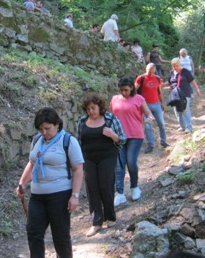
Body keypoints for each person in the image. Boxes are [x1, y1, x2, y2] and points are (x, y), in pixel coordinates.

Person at [16, 107, 84, 258]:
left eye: (47, 128)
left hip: (60, 195)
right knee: (33, 232)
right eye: (41, 129)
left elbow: (78, 169)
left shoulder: (68, 141)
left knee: (60, 236)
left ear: (57, 125)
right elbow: (32, 163)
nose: (44, 132)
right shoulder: (37, 140)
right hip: (37, 195)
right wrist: (22, 183)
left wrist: (75, 195)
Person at [77, 93, 127, 237]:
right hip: (88, 158)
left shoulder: (111, 120)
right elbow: (79, 141)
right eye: (88, 109)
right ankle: (96, 222)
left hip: (107, 156)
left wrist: (112, 135)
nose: (91, 111)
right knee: (92, 187)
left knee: (105, 185)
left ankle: (110, 217)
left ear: (100, 107)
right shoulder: (82, 121)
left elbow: (122, 139)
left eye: (93, 108)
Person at [110, 77, 155, 207]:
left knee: (131, 161)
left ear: (131, 87)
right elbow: (111, 116)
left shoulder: (139, 99)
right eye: (121, 90)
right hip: (118, 136)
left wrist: (149, 119)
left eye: (126, 90)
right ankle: (119, 193)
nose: (124, 92)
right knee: (119, 165)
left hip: (135, 135)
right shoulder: (114, 99)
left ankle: (134, 187)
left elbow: (149, 114)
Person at [134, 63, 169, 153]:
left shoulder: (157, 78)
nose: (151, 74)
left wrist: (162, 103)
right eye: (150, 72)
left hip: (156, 104)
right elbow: (134, 91)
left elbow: (160, 92)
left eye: (153, 72)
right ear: (146, 70)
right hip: (145, 105)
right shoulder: (141, 78)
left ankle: (163, 141)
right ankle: (150, 144)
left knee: (161, 123)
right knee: (148, 126)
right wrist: (135, 103)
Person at [167, 58, 201, 134]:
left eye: (176, 65)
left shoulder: (185, 72)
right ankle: (182, 126)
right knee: (177, 110)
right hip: (175, 95)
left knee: (185, 110)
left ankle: (189, 127)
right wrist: (161, 85)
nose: (175, 67)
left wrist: (197, 90)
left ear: (180, 64)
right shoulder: (171, 73)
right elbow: (169, 82)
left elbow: (192, 81)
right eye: (173, 66)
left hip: (185, 93)